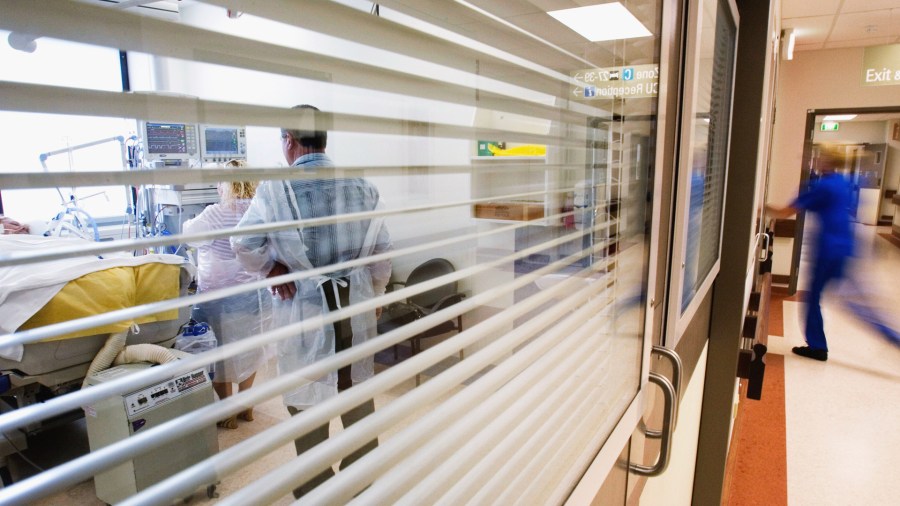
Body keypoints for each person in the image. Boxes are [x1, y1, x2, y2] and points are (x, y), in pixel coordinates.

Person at [231, 105, 392, 498]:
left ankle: (318, 486)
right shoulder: (360, 184)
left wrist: (272, 270)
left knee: (307, 402)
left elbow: (243, 242)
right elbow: (382, 251)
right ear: (324, 139)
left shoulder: (275, 189)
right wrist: (377, 293)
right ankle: (360, 482)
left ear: (288, 141)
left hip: (306, 308)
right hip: (353, 307)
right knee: (356, 392)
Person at [184, 163, 271, 428]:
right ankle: (246, 405)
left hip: (220, 299)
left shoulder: (216, 213)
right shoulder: (261, 212)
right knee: (251, 351)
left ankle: (227, 411)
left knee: (219, 353)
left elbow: (189, 236)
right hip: (255, 296)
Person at [765, 144, 855, 361]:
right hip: (845, 247)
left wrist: (760, 207)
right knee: (856, 304)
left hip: (828, 249)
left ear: (827, 161)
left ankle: (817, 347)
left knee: (813, 297)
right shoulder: (842, 182)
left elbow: (786, 212)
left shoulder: (822, 186)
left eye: (820, 158)